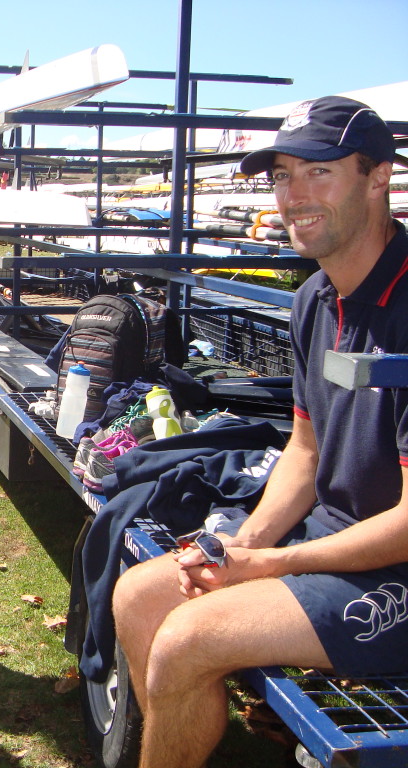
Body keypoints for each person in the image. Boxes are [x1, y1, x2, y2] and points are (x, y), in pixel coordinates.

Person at [111, 96, 408, 768]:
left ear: (379, 175)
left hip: (396, 573)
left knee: (189, 639)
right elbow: (304, 452)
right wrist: (237, 547)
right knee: (138, 594)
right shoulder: (315, 299)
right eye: (281, 176)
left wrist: (271, 564)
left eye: (319, 172)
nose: (294, 196)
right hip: (333, 548)